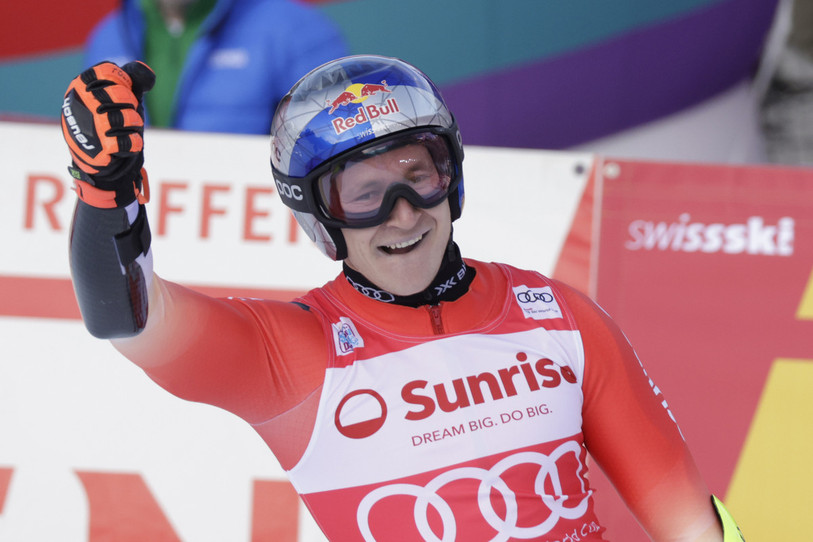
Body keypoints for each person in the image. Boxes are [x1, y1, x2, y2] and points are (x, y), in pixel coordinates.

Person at [60, 56, 745, 541]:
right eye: (362, 195)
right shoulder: (289, 352)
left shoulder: (560, 318)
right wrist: (104, 195)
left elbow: (691, 526)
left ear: (452, 180)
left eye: (418, 176)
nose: (402, 214)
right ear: (319, 218)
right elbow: (127, 315)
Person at [83, 0, 348, 134]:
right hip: (145, 213)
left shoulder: (293, 29)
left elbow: (334, 137)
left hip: (247, 217)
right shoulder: (110, 34)